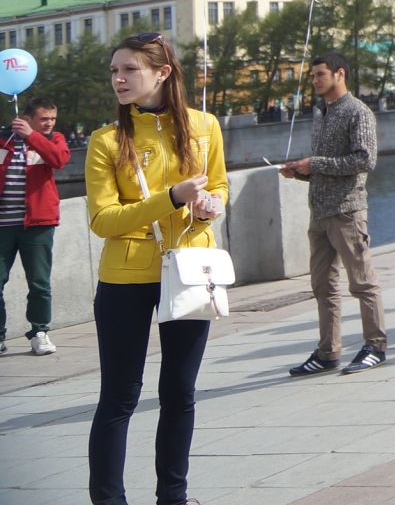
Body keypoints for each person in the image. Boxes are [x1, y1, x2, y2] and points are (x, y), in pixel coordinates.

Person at [85, 32, 228, 505]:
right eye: (114, 71)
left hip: (189, 268)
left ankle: (174, 496)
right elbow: (102, 220)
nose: (118, 80)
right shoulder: (106, 140)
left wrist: (210, 206)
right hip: (126, 277)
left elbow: (221, 187)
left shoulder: (205, 125)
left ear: (163, 72)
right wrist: (169, 199)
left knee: (179, 392)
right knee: (119, 398)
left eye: (129, 70)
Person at [282, 52, 389, 376]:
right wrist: (300, 172)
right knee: (322, 285)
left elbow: (364, 160)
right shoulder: (322, 113)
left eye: (320, 75)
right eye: (313, 75)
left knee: (362, 282)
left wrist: (314, 164)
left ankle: (376, 345)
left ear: (339, 74)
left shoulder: (358, 112)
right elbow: (326, 164)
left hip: (347, 211)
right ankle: (328, 351)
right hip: (320, 212)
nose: (314, 81)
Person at [1, 94, 69, 356]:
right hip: (3, 225)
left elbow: (59, 160)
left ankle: (40, 332)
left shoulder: (53, 139)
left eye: (52, 118)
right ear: (26, 117)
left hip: (38, 223)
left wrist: (32, 136)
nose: (49, 123)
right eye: (43, 119)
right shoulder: (3, 140)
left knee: (39, 283)